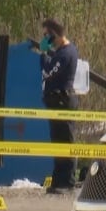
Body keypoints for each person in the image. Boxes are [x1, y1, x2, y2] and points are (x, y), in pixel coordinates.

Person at [38, 18, 79, 195]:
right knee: (57, 142)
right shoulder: (60, 52)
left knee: (65, 142)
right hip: (55, 101)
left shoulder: (66, 53)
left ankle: (67, 181)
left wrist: (43, 53)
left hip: (63, 101)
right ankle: (58, 180)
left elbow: (48, 71)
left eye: (47, 35)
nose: (46, 38)